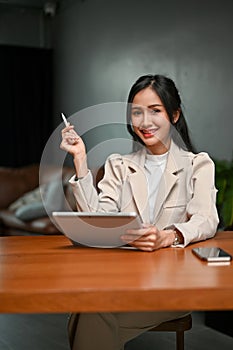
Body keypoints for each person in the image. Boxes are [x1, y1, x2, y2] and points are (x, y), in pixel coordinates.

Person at [60, 74, 219, 350]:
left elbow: (207, 220)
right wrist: (80, 160)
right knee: (91, 310)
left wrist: (168, 237)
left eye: (155, 111)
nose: (145, 122)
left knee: (87, 311)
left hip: (172, 287)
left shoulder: (198, 165)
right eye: (137, 112)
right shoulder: (118, 165)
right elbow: (99, 220)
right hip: (121, 282)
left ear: (174, 114)